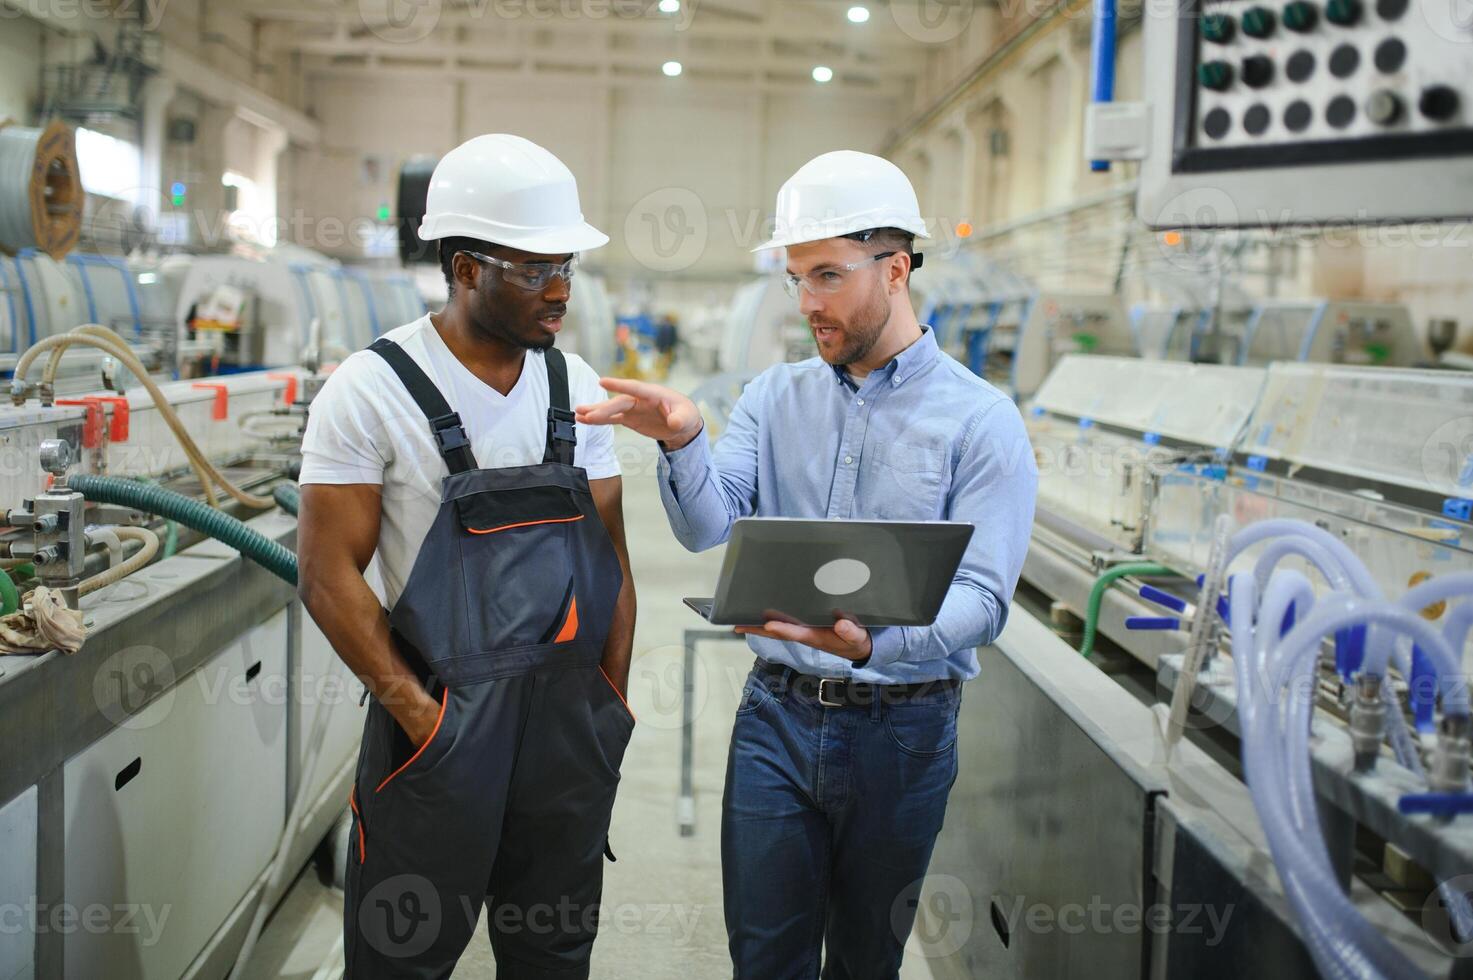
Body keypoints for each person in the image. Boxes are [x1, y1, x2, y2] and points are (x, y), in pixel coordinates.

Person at [577, 150, 1037, 979]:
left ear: (895, 268)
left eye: (826, 276)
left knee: (865, 961)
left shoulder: (980, 421)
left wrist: (877, 647)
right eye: (796, 278)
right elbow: (704, 529)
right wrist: (684, 439)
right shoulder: (770, 397)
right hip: (776, 722)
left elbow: (983, 600)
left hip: (905, 730)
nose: (805, 304)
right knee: (764, 960)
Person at [296, 134, 637, 979]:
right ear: (463, 267)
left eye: (565, 266)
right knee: (399, 958)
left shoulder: (577, 389)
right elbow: (328, 574)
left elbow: (612, 568)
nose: (558, 290)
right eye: (532, 270)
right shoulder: (372, 390)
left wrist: (607, 709)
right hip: (439, 729)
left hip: (565, 732)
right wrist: (420, 718)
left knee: (552, 953)